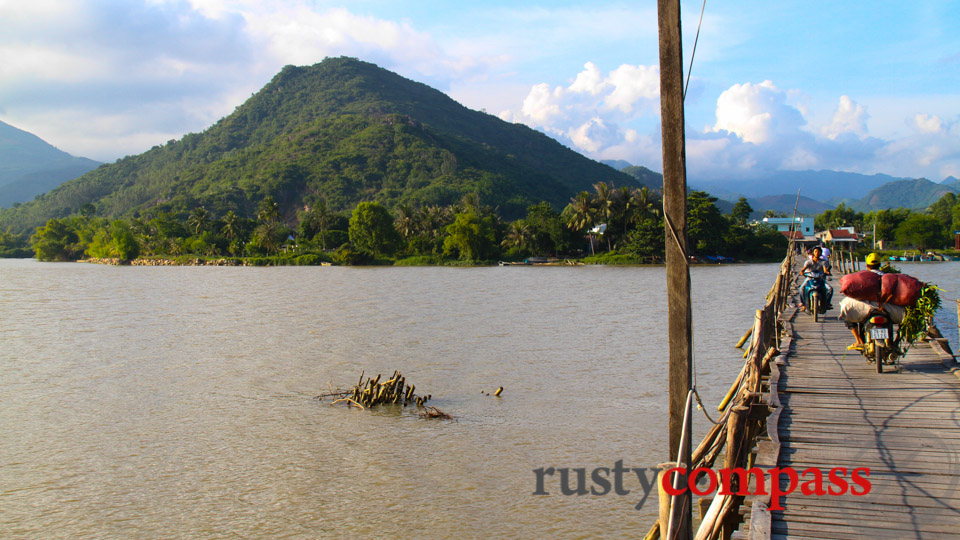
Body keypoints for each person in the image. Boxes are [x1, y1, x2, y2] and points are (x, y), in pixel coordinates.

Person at [800, 246, 833, 312]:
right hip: (810, 278)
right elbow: (803, 269)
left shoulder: (823, 262)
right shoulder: (809, 262)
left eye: (819, 252)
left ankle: (827, 303)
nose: (817, 253)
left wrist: (827, 272)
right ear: (813, 253)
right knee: (801, 288)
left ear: (821, 253)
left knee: (830, 289)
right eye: (815, 251)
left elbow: (825, 269)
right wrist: (802, 272)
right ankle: (803, 304)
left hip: (820, 279)